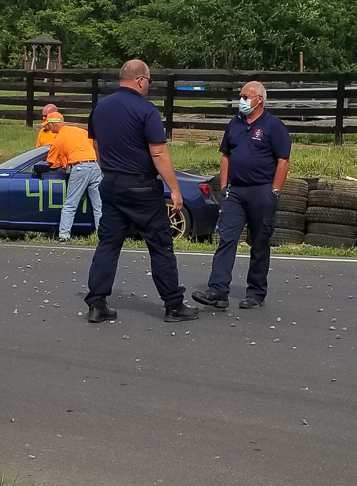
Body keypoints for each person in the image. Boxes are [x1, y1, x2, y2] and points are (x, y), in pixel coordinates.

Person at [84, 60, 198, 323]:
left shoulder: (100, 107)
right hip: (142, 186)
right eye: (149, 81)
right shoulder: (145, 110)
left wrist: (110, 171)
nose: (148, 86)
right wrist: (175, 189)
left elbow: (97, 146)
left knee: (108, 244)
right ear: (140, 80)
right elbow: (158, 152)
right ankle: (173, 304)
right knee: (160, 244)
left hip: (111, 184)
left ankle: (97, 301)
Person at [192, 82, 291, 310]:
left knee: (259, 241)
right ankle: (218, 290)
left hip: (261, 190)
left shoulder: (273, 126)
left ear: (259, 100)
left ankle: (256, 292)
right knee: (226, 238)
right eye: (241, 96)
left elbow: (283, 161)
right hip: (235, 192)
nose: (242, 100)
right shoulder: (235, 123)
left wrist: (274, 191)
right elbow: (226, 155)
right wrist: (225, 186)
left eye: (246, 96)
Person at [43, 112, 102, 242]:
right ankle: (102, 235)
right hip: (95, 166)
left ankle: (64, 235)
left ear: (53, 124)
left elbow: (50, 163)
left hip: (80, 168)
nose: (48, 128)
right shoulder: (80, 131)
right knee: (98, 205)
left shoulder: (58, 140)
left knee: (70, 204)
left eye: (48, 125)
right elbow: (93, 145)